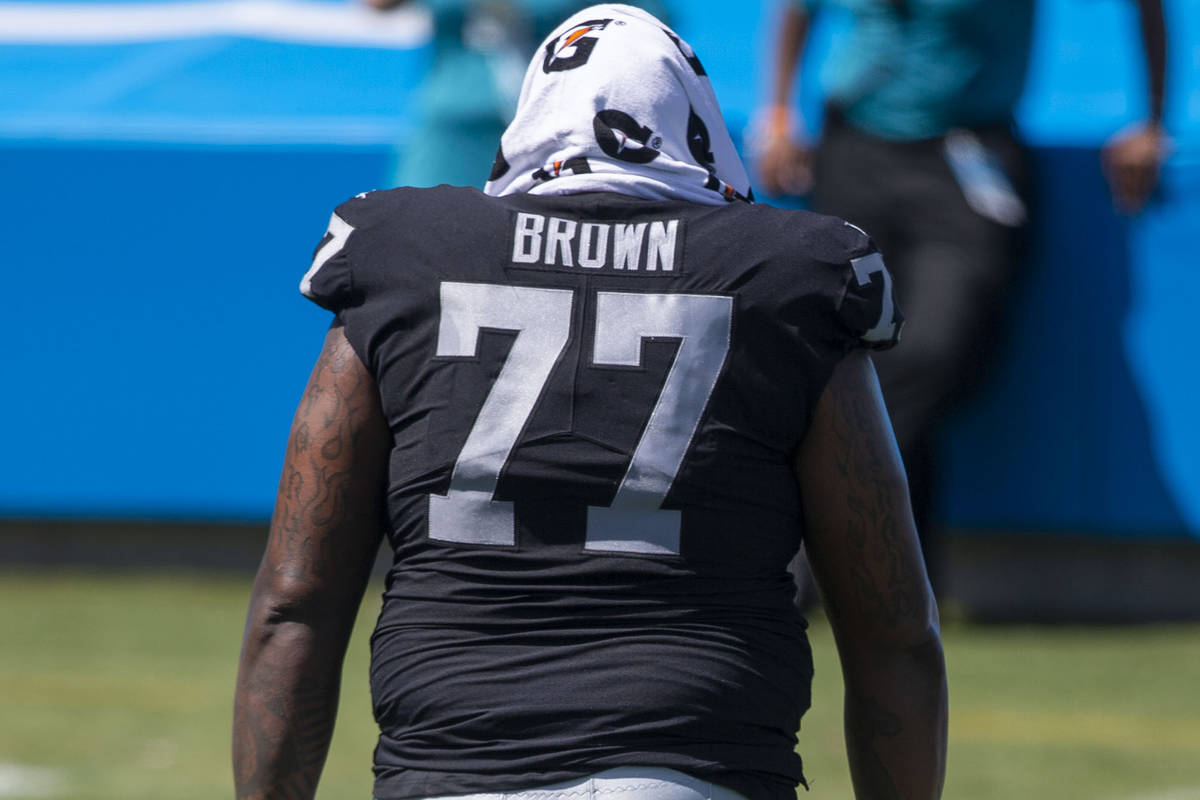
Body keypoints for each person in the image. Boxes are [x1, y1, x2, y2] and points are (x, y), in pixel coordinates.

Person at [233, 6, 947, 800]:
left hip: (452, 767)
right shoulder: (790, 279)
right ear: (697, 123)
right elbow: (893, 630)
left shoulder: (401, 253)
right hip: (695, 767)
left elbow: (294, 603)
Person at [758, 0, 1168, 593]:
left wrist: (1151, 118)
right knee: (834, 357)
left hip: (967, 152)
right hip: (854, 142)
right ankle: (894, 579)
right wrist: (776, 112)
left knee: (932, 352)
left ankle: (807, 547)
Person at [364, 0, 667, 188]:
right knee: (417, 240)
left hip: (561, 124)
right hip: (457, 122)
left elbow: (647, 28)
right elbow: (378, 4)